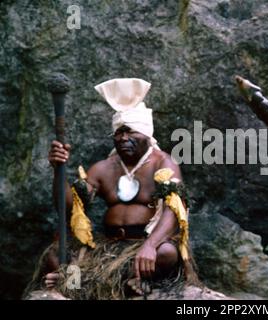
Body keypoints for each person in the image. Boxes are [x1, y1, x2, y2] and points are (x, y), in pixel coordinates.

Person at [24, 78, 197, 299]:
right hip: (109, 247)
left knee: (166, 253)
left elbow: (175, 210)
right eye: (118, 133)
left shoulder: (163, 163)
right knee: (57, 255)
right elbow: (67, 208)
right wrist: (58, 169)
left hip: (143, 245)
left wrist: (151, 245)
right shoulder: (104, 168)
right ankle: (81, 282)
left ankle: (79, 281)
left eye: (130, 131)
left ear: (146, 134)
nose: (123, 138)